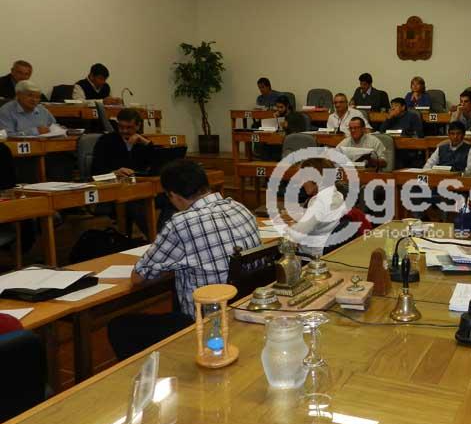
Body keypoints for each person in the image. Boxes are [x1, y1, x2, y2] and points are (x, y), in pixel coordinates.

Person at [107, 160, 260, 360]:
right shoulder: (239, 207)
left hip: (206, 323)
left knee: (119, 326)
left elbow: (138, 276)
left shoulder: (181, 223)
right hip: (242, 308)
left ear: (174, 196)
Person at [290, 157, 348, 257]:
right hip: (328, 252)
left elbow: (296, 235)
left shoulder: (320, 201)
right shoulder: (338, 195)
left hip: (310, 257)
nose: (302, 183)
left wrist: (286, 228)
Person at [90, 108, 155, 178]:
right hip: (113, 181)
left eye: (129, 127)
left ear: (138, 126)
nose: (124, 131)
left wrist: (146, 142)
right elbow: (96, 170)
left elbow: (156, 167)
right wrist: (114, 173)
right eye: (121, 127)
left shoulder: (142, 142)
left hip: (138, 181)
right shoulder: (105, 140)